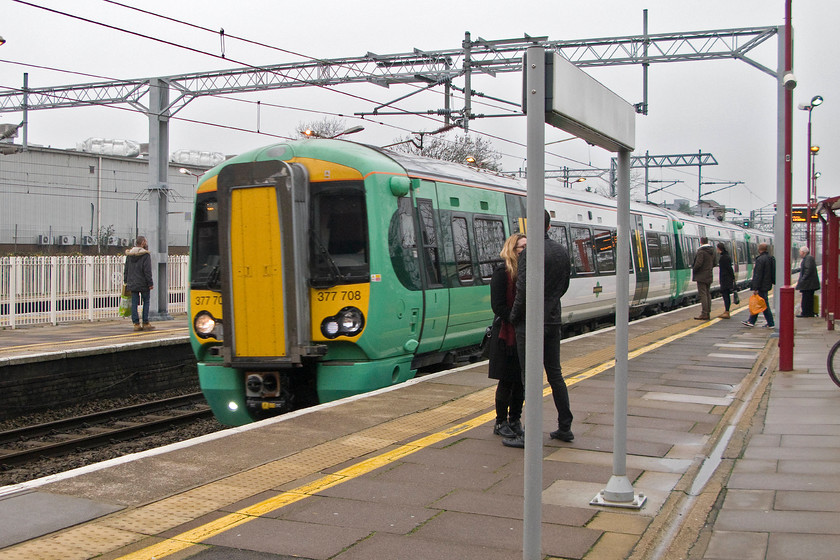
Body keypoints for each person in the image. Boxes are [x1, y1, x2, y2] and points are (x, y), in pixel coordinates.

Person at [503, 210, 573, 448]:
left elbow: (523, 291)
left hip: (530, 323)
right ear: (549, 226)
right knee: (555, 374)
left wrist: (514, 317)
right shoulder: (561, 251)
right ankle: (565, 427)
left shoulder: (529, 253)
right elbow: (564, 286)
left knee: (528, 377)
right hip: (553, 318)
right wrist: (551, 304)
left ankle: (529, 433)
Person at [487, 233, 527, 439]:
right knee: (506, 381)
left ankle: (515, 420)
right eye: (522, 247)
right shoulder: (502, 273)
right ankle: (500, 421)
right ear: (512, 250)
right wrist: (515, 317)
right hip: (505, 335)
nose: (526, 250)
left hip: (521, 334)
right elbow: (497, 305)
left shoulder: (528, 272)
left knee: (520, 381)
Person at [124, 236, 155, 331]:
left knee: (134, 303)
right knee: (146, 301)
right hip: (143, 283)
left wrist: (126, 281)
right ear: (142, 243)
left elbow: (126, 269)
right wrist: (150, 283)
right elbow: (147, 271)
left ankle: (136, 324)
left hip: (132, 283)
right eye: (145, 241)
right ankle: (145, 322)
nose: (146, 243)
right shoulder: (145, 255)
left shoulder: (129, 255)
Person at [742, 242, 775, 328]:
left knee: (763, 304)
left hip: (761, 285)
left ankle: (770, 323)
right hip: (767, 284)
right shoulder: (770, 258)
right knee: (761, 303)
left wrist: (755, 287)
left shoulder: (760, 260)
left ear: (759, 250)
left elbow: (758, 274)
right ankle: (752, 321)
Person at [692, 237, 715, 320]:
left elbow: (698, 263)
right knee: (708, 293)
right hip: (709, 275)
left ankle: (704, 313)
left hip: (701, 276)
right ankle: (708, 312)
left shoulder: (701, 252)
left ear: (701, 242)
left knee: (703, 294)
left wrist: (694, 269)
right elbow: (715, 263)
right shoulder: (712, 251)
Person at [795, 246, 820, 317]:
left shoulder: (808, 259)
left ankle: (806, 313)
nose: (799, 254)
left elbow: (807, 270)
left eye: (800, 252)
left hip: (808, 284)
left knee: (806, 299)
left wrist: (802, 280)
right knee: (808, 298)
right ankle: (808, 312)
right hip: (810, 284)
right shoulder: (809, 258)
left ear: (803, 252)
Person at [716, 242, 735, 319]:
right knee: (726, 295)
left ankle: (727, 311)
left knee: (726, 296)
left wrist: (732, 277)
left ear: (719, 248)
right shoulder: (726, 256)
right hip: (727, 279)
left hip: (725, 279)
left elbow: (728, 269)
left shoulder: (723, 258)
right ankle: (726, 311)